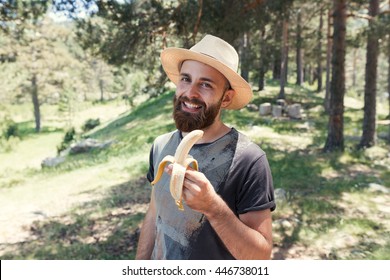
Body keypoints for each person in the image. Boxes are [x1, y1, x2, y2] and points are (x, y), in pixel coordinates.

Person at [136, 34, 275, 260]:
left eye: (206, 84)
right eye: (185, 79)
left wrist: (213, 208)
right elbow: (154, 215)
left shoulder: (249, 159)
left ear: (226, 98)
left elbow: (260, 257)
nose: (190, 93)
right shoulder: (161, 145)